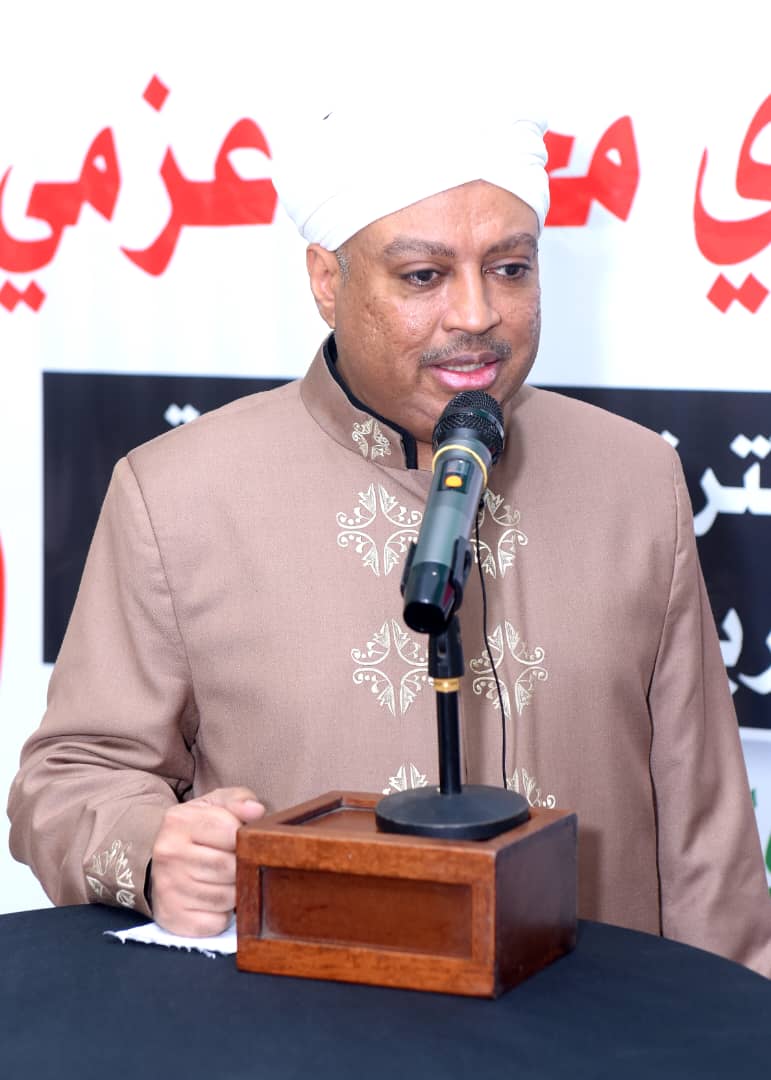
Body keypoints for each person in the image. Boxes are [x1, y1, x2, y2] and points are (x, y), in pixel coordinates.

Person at [8, 99, 771, 975]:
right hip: (305, 1025)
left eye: (510, 268)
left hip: (600, 1022)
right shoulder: (178, 491)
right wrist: (151, 847)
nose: (475, 313)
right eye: (422, 276)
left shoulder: (632, 475)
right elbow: (69, 777)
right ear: (326, 281)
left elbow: (705, 833)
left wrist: (733, 1022)